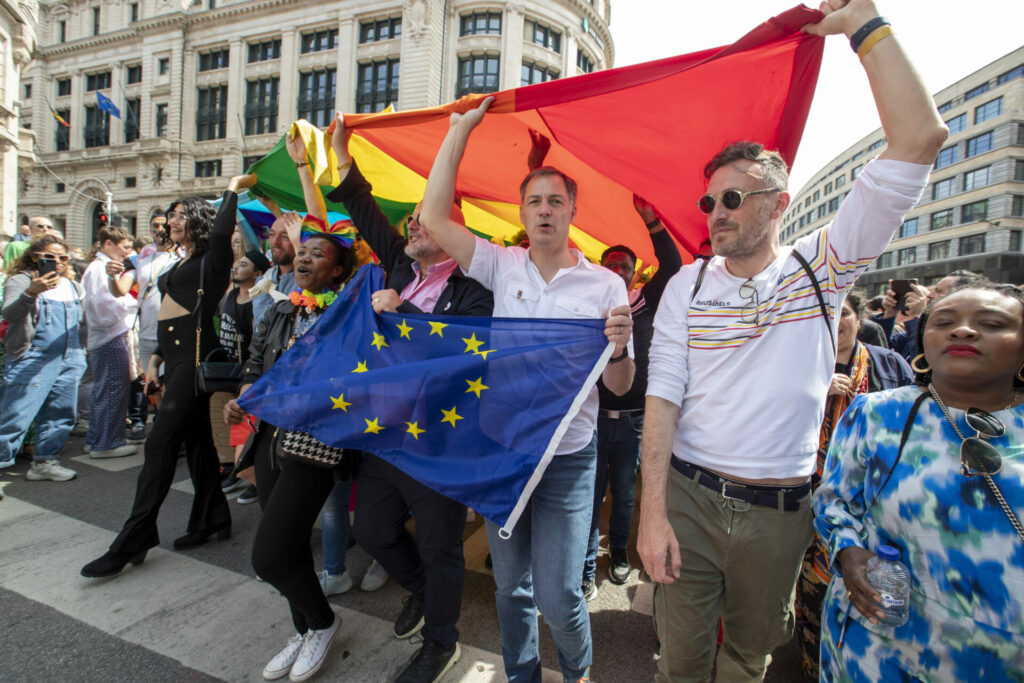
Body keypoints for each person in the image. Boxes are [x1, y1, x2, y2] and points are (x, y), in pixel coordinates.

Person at [636, 2, 949, 680]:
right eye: (709, 201)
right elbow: (661, 398)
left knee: (749, 657)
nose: (715, 213)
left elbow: (921, 136)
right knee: (682, 663)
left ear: (779, 204)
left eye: (733, 199)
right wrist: (650, 512)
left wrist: (864, 24)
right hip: (689, 496)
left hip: (781, 511)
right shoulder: (686, 288)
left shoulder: (821, 268)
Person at [419, 97, 635, 683]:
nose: (545, 210)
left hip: (568, 461)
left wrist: (617, 346)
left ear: (571, 211)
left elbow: (619, 385)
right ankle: (522, 676)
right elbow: (435, 219)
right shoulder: (501, 265)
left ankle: (577, 671)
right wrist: (459, 135)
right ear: (522, 210)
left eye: (555, 201)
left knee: (560, 594)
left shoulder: (605, 283)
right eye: (534, 201)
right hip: (504, 452)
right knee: (510, 586)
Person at [324, 111, 494, 682]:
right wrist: (342, 153)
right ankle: (422, 591)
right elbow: (363, 208)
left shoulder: (475, 290)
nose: (412, 226)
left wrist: (408, 313)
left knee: (443, 547)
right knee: (371, 531)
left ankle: (440, 645)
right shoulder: (401, 265)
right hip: (386, 433)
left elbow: (459, 356)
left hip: (438, 444)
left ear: (451, 231)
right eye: (413, 220)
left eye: (424, 220)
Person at [814, 281, 1024, 681]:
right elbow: (833, 500)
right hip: (878, 646)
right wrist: (847, 550)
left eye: (992, 323)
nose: (963, 331)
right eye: (944, 321)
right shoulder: (875, 414)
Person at [81, 176, 255, 579]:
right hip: (173, 361)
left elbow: (223, 228)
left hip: (193, 369)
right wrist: (155, 359)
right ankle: (213, 518)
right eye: (170, 217)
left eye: (177, 216)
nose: (169, 222)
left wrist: (232, 186)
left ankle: (135, 536)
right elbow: (175, 318)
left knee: (158, 448)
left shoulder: (213, 259)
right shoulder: (180, 261)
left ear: (196, 220)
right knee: (197, 447)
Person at [224, 229, 357, 683]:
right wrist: (242, 396)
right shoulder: (280, 308)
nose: (304, 258)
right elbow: (255, 364)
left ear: (336, 270)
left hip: (315, 442)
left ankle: (323, 621)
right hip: (268, 437)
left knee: (269, 556)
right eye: (302, 251)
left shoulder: (346, 314)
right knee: (291, 546)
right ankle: (302, 630)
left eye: (318, 254)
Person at [794, 289, 913, 681]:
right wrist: (816, 396)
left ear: (858, 320)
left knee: (871, 591)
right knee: (813, 585)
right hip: (809, 493)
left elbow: (916, 417)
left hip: (875, 500)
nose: (836, 321)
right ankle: (815, 663)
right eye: (827, 314)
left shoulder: (889, 363)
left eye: (843, 313)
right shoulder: (801, 365)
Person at [583, 196, 682, 598]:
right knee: (589, 496)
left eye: (625, 266)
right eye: (611, 265)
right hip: (590, 419)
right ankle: (587, 567)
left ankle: (619, 553)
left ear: (635, 272)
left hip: (634, 423)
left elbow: (672, 267)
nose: (617, 270)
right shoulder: (586, 304)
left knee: (624, 494)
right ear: (600, 270)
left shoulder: (646, 303)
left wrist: (652, 220)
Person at [0, 235, 87, 478]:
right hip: (32, 357)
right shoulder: (20, 280)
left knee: (60, 413)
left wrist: (81, 354)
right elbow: (10, 313)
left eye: (63, 257)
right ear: (35, 257)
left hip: (69, 357)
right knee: (15, 416)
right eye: (50, 257)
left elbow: (82, 323)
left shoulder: (73, 285)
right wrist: (31, 292)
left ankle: (45, 462)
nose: (57, 262)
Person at [81, 226, 138, 459]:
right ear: (107, 244)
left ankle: (97, 439)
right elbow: (102, 310)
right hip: (110, 336)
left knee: (104, 389)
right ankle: (107, 443)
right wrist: (131, 306)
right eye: (124, 247)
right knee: (112, 390)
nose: (127, 252)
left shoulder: (97, 268)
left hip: (106, 337)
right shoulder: (99, 269)